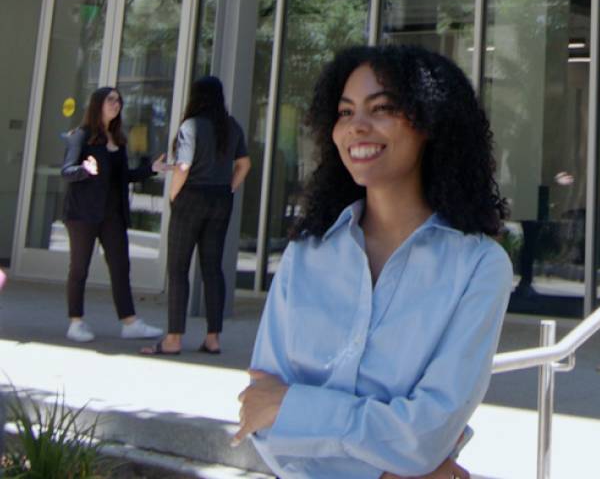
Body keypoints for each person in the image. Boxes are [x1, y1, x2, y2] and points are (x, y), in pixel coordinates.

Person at [236, 44, 512, 479]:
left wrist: (296, 409)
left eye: (381, 108)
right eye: (345, 113)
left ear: (429, 123)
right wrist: (390, 467)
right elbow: (259, 414)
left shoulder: (479, 266)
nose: (356, 127)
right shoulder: (305, 255)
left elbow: (425, 435)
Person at [141, 75, 252, 356]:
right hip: (220, 200)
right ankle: (213, 338)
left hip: (191, 197)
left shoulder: (191, 125)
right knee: (212, 268)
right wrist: (229, 187)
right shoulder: (231, 125)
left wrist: (174, 195)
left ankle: (173, 339)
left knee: (178, 268)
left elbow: (185, 164)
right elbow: (244, 164)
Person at [61, 86, 163, 343]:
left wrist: (151, 169)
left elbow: (123, 178)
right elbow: (67, 171)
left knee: (120, 267)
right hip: (83, 213)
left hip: (112, 214)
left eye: (119, 100)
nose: (116, 104)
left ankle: (130, 322)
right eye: (111, 100)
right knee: (79, 268)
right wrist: (85, 169)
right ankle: (76, 322)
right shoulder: (80, 136)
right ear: (98, 104)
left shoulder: (118, 139)